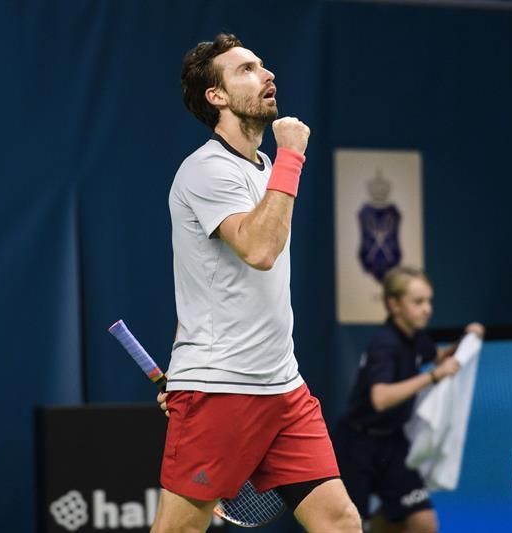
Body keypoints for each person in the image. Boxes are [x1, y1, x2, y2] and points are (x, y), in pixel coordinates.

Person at [153, 33, 361, 533]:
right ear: (216, 97)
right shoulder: (205, 170)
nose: (266, 75)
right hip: (221, 389)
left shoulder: (264, 168)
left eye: (263, 65)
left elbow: (215, 282)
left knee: (340, 521)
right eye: (246, 69)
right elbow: (260, 250)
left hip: (283, 386)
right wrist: (293, 154)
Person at [332, 266, 484, 532]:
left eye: (429, 301)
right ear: (394, 305)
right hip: (356, 445)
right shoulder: (384, 344)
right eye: (418, 302)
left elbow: (441, 357)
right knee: (349, 524)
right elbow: (380, 398)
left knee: (423, 522)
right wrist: (433, 377)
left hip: (392, 444)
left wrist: (468, 340)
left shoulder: (415, 338)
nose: (427, 308)